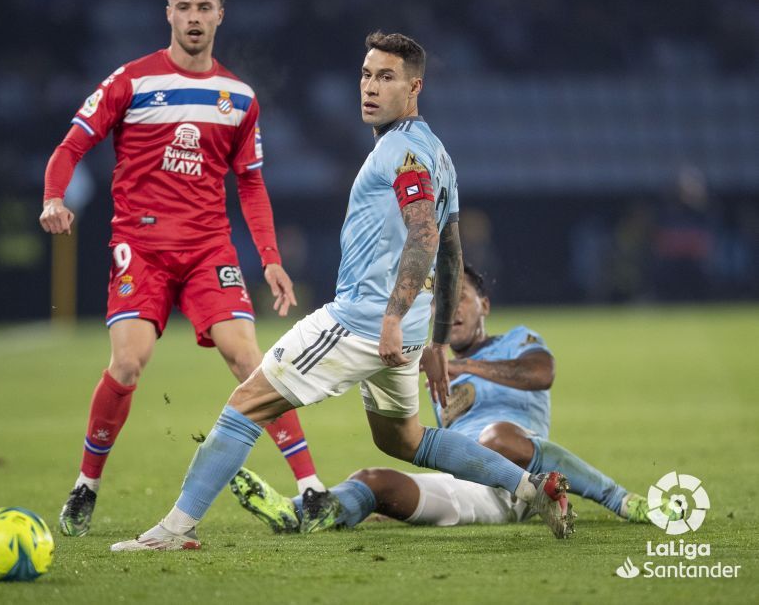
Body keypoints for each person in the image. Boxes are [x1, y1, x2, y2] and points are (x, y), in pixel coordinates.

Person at [110, 31, 574, 552]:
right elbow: (452, 252)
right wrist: (438, 340)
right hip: (404, 330)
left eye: (386, 77)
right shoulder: (438, 154)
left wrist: (392, 318)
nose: (370, 87)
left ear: (414, 87)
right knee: (404, 439)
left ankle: (176, 529)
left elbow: (425, 234)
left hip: (363, 322)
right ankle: (530, 487)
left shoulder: (402, 150)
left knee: (247, 404)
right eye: (366, 75)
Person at [39, 0, 323, 537]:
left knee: (249, 360)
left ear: (220, 16)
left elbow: (251, 183)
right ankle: (86, 485)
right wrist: (52, 197)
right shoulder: (131, 81)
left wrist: (270, 257)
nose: (194, 17)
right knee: (128, 362)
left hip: (207, 249)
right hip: (140, 246)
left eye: (204, 8)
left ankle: (312, 489)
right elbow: (71, 146)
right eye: (185, 7)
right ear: (168, 12)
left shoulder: (238, 97)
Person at [229, 264, 657, 533]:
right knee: (374, 480)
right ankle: (299, 513)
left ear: (484, 304)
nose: (451, 311)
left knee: (496, 437)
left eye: (461, 299)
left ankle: (620, 499)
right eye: (440, 304)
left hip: (517, 483)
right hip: (469, 486)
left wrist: (463, 366)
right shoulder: (434, 365)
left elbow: (541, 374)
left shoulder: (517, 340)